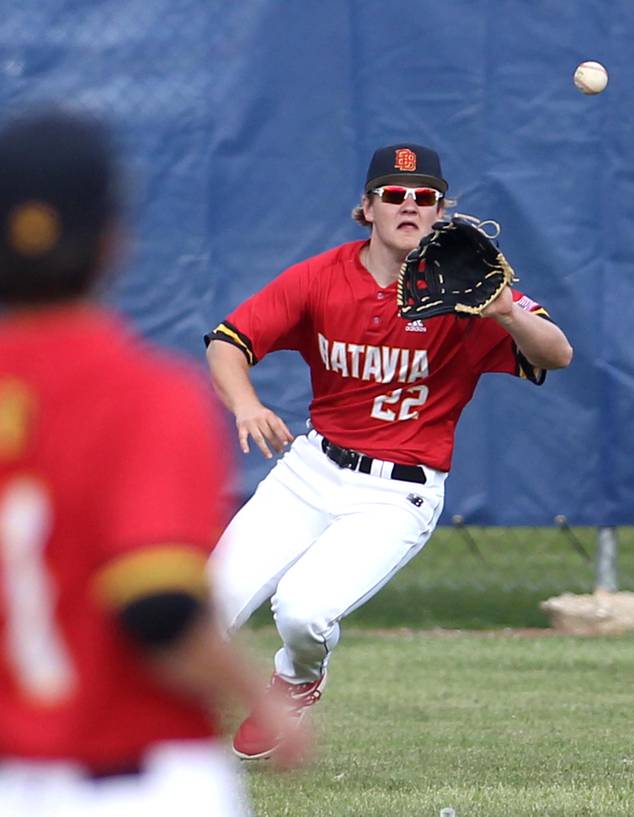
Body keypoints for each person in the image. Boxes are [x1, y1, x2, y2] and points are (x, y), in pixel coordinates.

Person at [205, 143, 573, 760]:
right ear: (368, 208)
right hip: (311, 471)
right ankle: (145, 733)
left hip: (396, 493)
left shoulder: (471, 292)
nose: (410, 205)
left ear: (439, 211)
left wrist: (507, 310)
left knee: (303, 612)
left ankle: (295, 682)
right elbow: (228, 341)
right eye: (395, 195)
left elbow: (556, 354)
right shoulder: (320, 277)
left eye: (425, 197)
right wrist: (245, 404)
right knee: (209, 603)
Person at [0, 109, 307, 817]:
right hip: (136, 781)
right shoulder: (144, 395)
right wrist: (262, 697)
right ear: (113, 242)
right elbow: (155, 603)